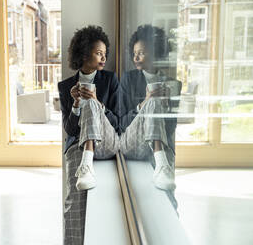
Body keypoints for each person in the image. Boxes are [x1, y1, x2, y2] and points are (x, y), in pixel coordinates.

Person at [58, 25, 120, 245]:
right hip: (78, 145)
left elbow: (117, 122)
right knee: (73, 203)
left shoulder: (111, 80)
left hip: (106, 141)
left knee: (92, 105)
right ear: (84, 55)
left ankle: (87, 163)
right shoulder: (66, 86)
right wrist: (75, 104)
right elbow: (69, 130)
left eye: (105, 53)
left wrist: (97, 105)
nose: (104, 58)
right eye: (98, 53)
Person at [119, 25, 182, 199]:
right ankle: (162, 165)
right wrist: (145, 104)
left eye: (141, 53)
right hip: (130, 142)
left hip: (159, 143)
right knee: (152, 101)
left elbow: (170, 130)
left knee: (169, 199)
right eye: (134, 53)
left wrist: (167, 106)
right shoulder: (128, 79)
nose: (136, 57)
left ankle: (163, 171)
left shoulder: (173, 84)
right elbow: (121, 122)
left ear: (155, 54)